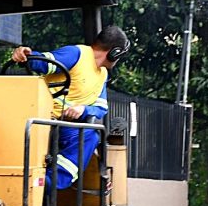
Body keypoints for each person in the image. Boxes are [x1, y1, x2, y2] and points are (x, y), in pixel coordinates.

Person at [10, 25, 130, 190]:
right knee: (89, 136)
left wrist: (84, 110)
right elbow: (43, 62)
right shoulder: (76, 54)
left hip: (63, 126)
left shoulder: (102, 75)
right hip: (42, 119)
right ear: (114, 52)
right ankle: (43, 183)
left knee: (90, 136)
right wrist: (25, 54)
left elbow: (101, 108)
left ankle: (48, 182)